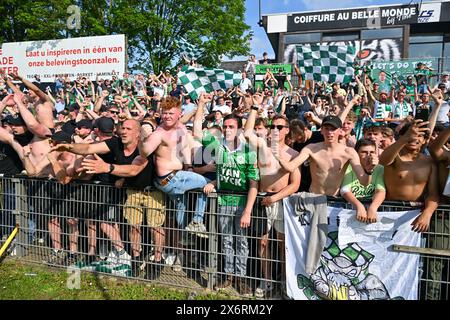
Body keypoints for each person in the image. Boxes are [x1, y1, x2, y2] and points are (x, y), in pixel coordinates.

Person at [194, 93, 259, 297]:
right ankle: (229, 275)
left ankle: (240, 278)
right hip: (222, 201)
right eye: (226, 127)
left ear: (239, 129)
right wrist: (202, 104)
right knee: (226, 241)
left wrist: (248, 211)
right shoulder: (218, 147)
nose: (228, 130)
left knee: (242, 242)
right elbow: (197, 132)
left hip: (241, 203)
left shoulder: (249, 151)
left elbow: (254, 184)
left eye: (232, 127)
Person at [139, 96, 209, 270]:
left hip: (178, 177)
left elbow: (185, 147)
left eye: (171, 113)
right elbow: (145, 151)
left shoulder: (181, 127)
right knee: (209, 184)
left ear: (179, 114)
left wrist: (189, 166)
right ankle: (198, 220)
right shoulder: (159, 133)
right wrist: (140, 137)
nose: (167, 116)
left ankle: (182, 247)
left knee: (181, 211)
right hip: (170, 180)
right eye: (164, 113)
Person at [243, 93, 300, 298]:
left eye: (279, 127)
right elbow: (247, 132)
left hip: (281, 202)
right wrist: (254, 108)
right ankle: (266, 280)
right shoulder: (262, 147)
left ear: (287, 131)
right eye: (273, 126)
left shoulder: (293, 154)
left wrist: (275, 198)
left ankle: (285, 281)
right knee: (263, 242)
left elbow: (295, 184)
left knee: (283, 245)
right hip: (262, 200)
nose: (275, 130)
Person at [379, 120, 439, 232]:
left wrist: (427, 213)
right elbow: (383, 160)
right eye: (411, 134)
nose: (414, 138)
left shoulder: (429, 162)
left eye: (420, 135)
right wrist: (405, 137)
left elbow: (433, 194)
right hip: (390, 211)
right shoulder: (394, 157)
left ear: (425, 140)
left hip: (415, 214)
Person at [340, 139, 386, 223]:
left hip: (372, 210)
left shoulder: (379, 168)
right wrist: (359, 206)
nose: (368, 155)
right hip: (350, 208)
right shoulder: (349, 167)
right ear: (356, 154)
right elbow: (345, 190)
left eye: (372, 152)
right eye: (364, 152)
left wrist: (373, 208)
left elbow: (381, 191)